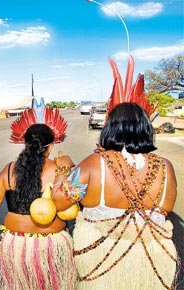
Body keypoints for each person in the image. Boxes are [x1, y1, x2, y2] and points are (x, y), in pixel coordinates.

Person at [53, 57, 178, 290]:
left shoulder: (93, 163)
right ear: (146, 128)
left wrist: (62, 169)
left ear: (110, 128)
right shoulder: (165, 167)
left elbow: (60, 202)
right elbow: (166, 209)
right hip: (151, 260)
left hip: (99, 258)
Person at [0, 99, 77, 290]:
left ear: (25, 145)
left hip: (15, 244)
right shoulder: (60, 170)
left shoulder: (8, 171)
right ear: (50, 147)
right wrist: (68, 166)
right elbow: (73, 202)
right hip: (52, 243)